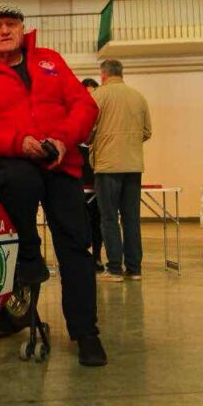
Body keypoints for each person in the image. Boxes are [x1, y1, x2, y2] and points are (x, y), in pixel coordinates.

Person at [0, 2, 105, 367]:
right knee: (17, 183)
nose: (5, 30)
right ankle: (27, 254)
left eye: (12, 24)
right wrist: (17, 142)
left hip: (60, 163)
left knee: (76, 246)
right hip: (13, 162)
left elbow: (85, 106)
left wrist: (62, 139)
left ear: (23, 29)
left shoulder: (50, 60)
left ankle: (86, 333)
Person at [91, 59, 152, 282]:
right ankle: (134, 269)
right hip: (134, 165)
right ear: (121, 73)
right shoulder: (138, 97)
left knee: (109, 218)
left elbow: (87, 129)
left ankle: (114, 268)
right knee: (131, 219)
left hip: (107, 165)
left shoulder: (98, 96)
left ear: (103, 75)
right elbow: (147, 131)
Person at [78, 79, 103, 272]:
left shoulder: (102, 119)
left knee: (98, 221)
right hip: (79, 181)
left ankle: (97, 257)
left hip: (98, 178)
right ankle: (81, 257)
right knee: (80, 222)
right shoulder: (75, 117)